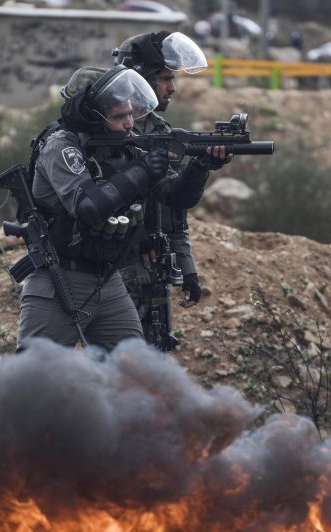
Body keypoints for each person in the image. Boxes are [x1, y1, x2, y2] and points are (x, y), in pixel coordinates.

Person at [17, 65, 211, 352]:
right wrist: (141, 171)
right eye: (120, 117)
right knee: (32, 378)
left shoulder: (125, 149)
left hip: (108, 281)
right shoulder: (62, 147)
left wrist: (200, 165)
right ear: (93, 118)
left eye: (131, 114)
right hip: (58, 278)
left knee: (133, 371)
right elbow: (87, 207)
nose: (130, 124)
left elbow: (174, 196)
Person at [112, 31, 232, 350]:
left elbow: (173, 203)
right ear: (138, 80)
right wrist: (137, 240)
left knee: (155, 357)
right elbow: (96, 202)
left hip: (153, 270)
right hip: (114, 273)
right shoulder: (107, 134)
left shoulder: (160, 132)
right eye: (165, 78)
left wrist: (199, 166)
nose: (172, 88)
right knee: (119, 364)